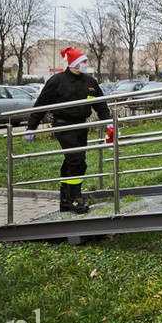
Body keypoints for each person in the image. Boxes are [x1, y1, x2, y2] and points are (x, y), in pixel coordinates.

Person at [24, 47, 111, 213]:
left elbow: (101, 104)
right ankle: (75, 199)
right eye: (83, 61)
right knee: (77, 160)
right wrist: (31, 127)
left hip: (81, 126)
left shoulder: (90, 83)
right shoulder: (57, 81)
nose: (86, 64)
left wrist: (108, 122)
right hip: (63, 125)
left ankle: (64, 200)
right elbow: (41, 104)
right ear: (74, 63)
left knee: (71, 161)